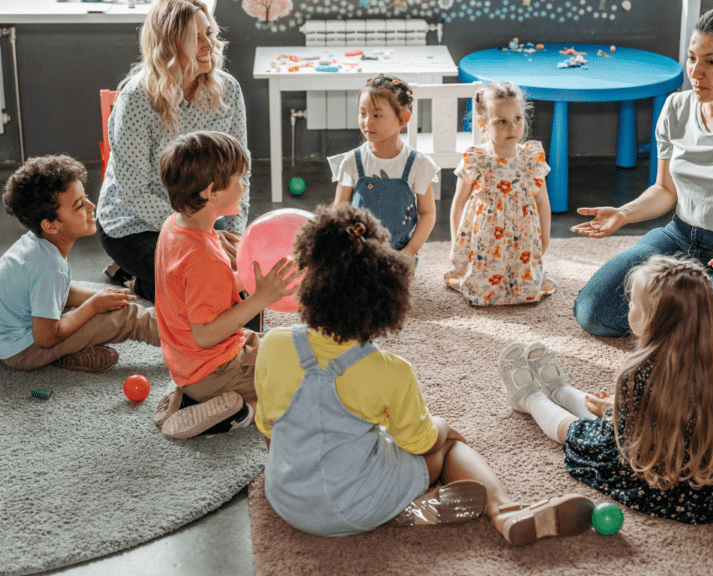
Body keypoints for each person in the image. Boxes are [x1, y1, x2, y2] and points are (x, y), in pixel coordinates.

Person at [255, 204, 595, 546]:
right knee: (446, 446)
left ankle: (395, 507)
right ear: (386, 300)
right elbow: (421, 443)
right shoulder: (391, 372)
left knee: (353, 439)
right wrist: (443, 427)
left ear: (307, 281)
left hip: (288, 500)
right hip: (358, 503)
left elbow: (270, 428)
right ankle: (505, 511)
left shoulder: (273, 345)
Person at [572, 6, 713, 337]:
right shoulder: (676, 108)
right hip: (679, 235)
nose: (696, 71)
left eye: (711, 61)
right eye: (692, 58)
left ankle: (693, 304)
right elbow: (664, 190)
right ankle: (692, 302)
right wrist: (623, 213)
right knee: (593, 312)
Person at [500, 254, 713, 524]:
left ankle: (530, 398)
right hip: (703, 478)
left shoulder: (638, 372)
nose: (628, 305)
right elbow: (666, 412)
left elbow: (624, 434)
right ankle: (561, 390)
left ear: (652, 319)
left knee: (578, 431)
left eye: (633, 303)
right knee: (603, 415)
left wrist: (615, 410)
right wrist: (616, 407)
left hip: (656, 473)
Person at [95, 0, 250, 302]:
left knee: (231, 278)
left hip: (201, 215)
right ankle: (138, 280)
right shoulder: (137, 99)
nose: (210, 46)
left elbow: (239, 172)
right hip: (133, 225)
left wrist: (235, 236)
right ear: (168, 47)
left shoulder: (228, 90)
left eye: (210, 33)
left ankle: (145, 277)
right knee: (206, 282)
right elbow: (134, 192)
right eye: (196, 39)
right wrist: (202, 234)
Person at [151, 131, 299, 439]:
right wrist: (260, 298)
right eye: (239, 179)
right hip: (215, 368)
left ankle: (188, 396)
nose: (244, 186)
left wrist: (244, 280)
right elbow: (205, 335)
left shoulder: (174, 226)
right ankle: (238, 411)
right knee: (304, 383)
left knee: (284, 343)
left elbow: (192, 294)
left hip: (187, 363)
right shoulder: (204, 257)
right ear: (212, 193)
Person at [0, 156, 160, 374]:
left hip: (8, 342)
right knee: (125, 317)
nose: (91, 206)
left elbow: (60, 290)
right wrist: (93, 306)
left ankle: (69, 355)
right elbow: (46, 338)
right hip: (24, 351)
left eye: (86, 197)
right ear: (51, 225)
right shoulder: (49, 267)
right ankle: (194, 341)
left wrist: (96, 297)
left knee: (102, 306)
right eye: (79, 205)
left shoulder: (37, 244)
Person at [445, 81, 555, 305]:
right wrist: (456, 244)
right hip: (486, 244)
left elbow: (543, 202)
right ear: (483, 123)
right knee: (482, 291)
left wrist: (545, 239)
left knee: (525, 291)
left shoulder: (531, 159)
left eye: (517, 119)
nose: (512, 128)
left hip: (522, 241)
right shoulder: (475, 160)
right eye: (502, 121)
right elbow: (458, 204)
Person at [329, 75, 438, 264]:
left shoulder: (419, 165)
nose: (367, 122)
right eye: (363, 113)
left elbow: (427, 213)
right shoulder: (351, 161)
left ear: (403, 118)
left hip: (399, 253)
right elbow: (340, 209)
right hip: (358, 250)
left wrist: (410, 251)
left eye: (377, 115)